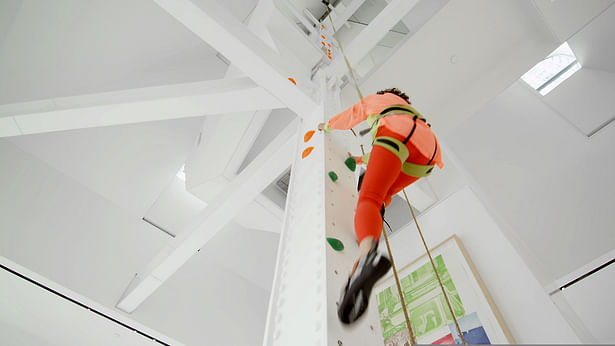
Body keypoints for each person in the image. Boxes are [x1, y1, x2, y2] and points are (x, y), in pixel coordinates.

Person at [318, 88, 444, 324]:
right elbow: (391, 154)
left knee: (370, 198)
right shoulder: (410, 112)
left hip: (400, 135)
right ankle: (361, 267)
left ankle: (367, 255)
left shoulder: (384, 100)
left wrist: (328, 126)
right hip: (428, 153)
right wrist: (361, 159)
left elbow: (356, 112)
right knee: (383, 196)